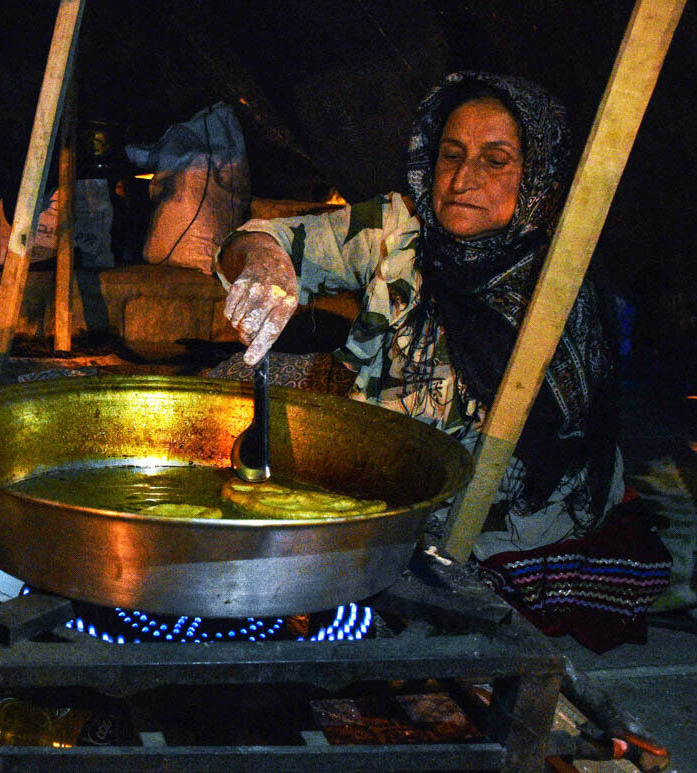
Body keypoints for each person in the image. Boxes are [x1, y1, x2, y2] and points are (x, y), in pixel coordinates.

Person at [217, 71, 670, 651]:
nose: (462, 179)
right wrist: (263, 259)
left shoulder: (558, 280)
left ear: (536, 176)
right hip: (384, 486)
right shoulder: (399, 231)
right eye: (451, 155)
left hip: (505, 519)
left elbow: (546, 450)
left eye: (496, 160)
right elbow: (262, 238)